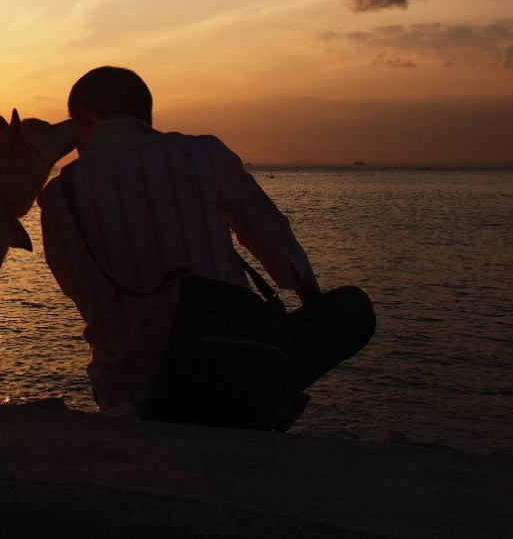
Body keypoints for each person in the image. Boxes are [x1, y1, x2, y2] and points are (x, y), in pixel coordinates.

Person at [38, 66, 375, 429]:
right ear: (144, 115)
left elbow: (77, 291)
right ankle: (266, 403)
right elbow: (278, 244)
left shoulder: (59, 195)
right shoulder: (200, 154)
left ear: (84, 120)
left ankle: (264, 404)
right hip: (223, 377)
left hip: (125, 393)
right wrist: (310, 303)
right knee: (352, 309)